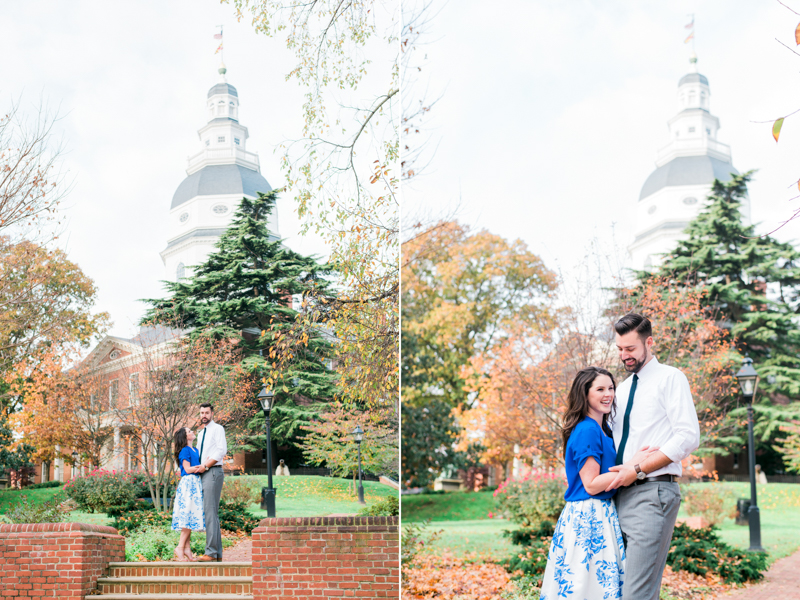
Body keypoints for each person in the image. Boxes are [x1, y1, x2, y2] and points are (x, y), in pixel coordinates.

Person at [539, 367, 656, 600]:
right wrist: (633, 466)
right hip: (587, 515)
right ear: (585, 394)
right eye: (600, 389)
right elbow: (591, 484)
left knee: (594, 587)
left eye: (611, 388)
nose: (608, 394)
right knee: (586, 587)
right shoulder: (588, 430)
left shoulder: (602, 429)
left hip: (599, 513)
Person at [606, 313, 700, 600]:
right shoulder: (620, 389)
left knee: (637, 594)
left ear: (649, 342)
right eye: (620, 349)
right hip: (618, 495)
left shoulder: (671, 378)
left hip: (652, 492)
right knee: (622, 588)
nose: (625, 356)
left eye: (631, 349)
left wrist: (637, 468)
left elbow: (687, 436)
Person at [196, 403, 228, 562]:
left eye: (207, 413)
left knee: (210, 512)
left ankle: (210, 552)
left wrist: (206, 465)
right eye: (202, 413)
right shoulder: (201, 434)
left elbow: (222, 450)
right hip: (203, 473)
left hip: (213, 471)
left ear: (212, 413)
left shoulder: (217, 429)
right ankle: (217, 554)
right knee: (211, 513)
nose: (204, 415)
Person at [171, 427, 204, 562]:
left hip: (195, 483)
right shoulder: (185, 450)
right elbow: (187, 469)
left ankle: (187, 549)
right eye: (189, 431)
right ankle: (179, 547)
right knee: (188, 516)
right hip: (189, 483)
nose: (192, 432)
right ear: (185, 437)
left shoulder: (195, 450)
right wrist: (204, 466)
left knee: (191, 515)